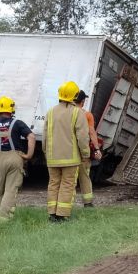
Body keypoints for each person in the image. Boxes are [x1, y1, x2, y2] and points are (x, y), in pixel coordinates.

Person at [43, 81, 91, 222]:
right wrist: (85, 154)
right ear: (75, 95)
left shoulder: (50, 112)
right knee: (67, 184)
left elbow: (45, 135)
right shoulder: (77, 112)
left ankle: (52, 213)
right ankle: (62, 214)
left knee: (53, 184)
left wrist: (46, 152)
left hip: (52, 158)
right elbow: (82, 137)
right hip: (70, 158)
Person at [73, 90, 102, 208]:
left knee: (69, 179)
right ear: (83, 101)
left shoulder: (67, 113)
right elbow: (91, 132)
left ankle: (67, 203)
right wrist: (96, 149)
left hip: (69, 151)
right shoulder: (87, 115)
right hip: (83, 151)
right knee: (84, 176)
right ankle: (88, 202)